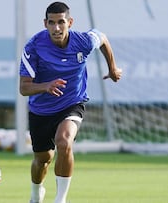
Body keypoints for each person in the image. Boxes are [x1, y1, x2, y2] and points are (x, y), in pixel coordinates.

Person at [19, 2, 122, 203]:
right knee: (43, 160)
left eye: (61, 22)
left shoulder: (82, 41)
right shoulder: (33, 47)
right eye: (52, 23)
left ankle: (60, 199)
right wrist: (46, 86)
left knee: (64, 141)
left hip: (72, 103)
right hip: (41, 109)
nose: (57, 28)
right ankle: (36, 194)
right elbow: (24, 88)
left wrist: (112, 68)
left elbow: (102, 38)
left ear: (70, 22)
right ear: (45, 23)